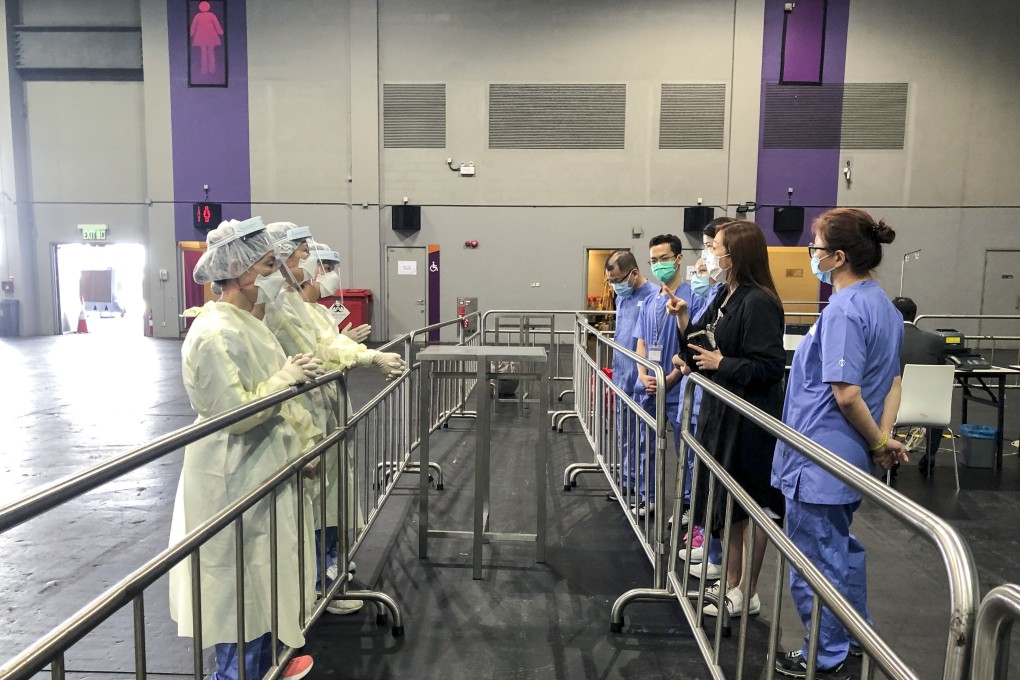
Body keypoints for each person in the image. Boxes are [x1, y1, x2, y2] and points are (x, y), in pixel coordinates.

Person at [168, 217, 319, 680]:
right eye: (270, 264)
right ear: (239, 271)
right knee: (239, 587)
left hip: (259, 466)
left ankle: (264, 665)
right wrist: (283, 380)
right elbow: (234, 412)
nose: (279, 276)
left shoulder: (242, 324)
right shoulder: (215, 333)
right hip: (232, 474)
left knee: (263, 577)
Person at [771, 208, 906, 679]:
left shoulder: (846, 310)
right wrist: (882, 440)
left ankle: (825, 653)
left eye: (816, 245)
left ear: (838, 257)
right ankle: (853, 634)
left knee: (816, 562)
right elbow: (892, 383)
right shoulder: (884, 306)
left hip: (821, 458)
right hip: (843, 458)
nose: (812, 253)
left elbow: (846, 394)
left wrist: (874, 441)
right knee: (840, 553)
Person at [665, 220, 786, 619]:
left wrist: (723, 363)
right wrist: (684, 320)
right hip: (721, 414)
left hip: (749, 419)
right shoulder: (724, 295)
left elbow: (769, 367)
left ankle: (746, 589)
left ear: (736, 255)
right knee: (727, 505)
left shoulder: (759, 302)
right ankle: (731, 581)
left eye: (714, 248)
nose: (708, 256)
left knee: (751, 505)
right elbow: (697, 342)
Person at [631, 234, 696, 517]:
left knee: (685, 449)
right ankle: (649, 496)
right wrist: (642, 374)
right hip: (649, 385)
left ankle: (685, 503)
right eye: (654, 261)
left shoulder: (692, 297)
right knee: (645, 442)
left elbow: (693, 343)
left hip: (677, 385)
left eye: (664, 259)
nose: (659, 265)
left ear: (679, 259)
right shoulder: (648, 301)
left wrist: (670, 378)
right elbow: (641, 341)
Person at [604, 250, 658, 502]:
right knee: (624, 432)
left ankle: (646, 492)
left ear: (634, 273)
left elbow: (652, 341)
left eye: (617, 281)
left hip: (642, 377)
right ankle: (627, 481)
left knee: (644, 439)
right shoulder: (623, 298)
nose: (615, 287)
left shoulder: (655, 297)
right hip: (622, 376)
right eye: (610, 282)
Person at [891, 296, 946, 475]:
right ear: (915, 316)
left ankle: (889, 456)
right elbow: (941, 370)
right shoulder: (936, 341)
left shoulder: (886, 340)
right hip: (930, 411)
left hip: (894, 409)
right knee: (938, 401)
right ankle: (930, 456)